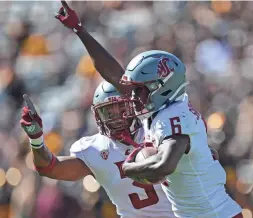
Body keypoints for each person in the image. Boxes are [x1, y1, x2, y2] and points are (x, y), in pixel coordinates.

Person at [20, 81, 176, 218]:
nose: (116, 118)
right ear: (97, 116)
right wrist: (36, 139)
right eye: (108, 112)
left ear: (133, 106)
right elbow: (49, 168)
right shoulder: (96, 149)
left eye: (121, 108)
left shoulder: (157, 131)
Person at [118, 50, 243, 218]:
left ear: (162, 86)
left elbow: (164, 166)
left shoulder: (172, 116)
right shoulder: (164, 112)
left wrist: (128, 168)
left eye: (139, 89)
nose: (134, 97)